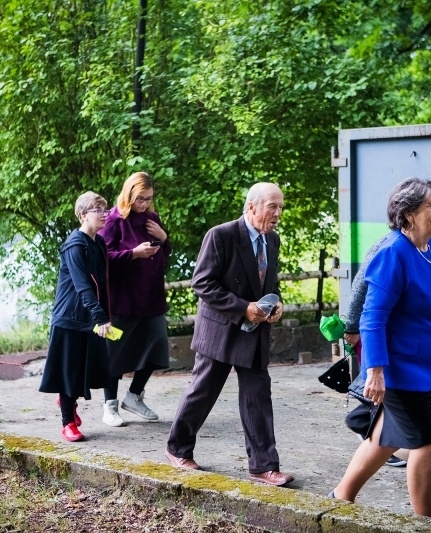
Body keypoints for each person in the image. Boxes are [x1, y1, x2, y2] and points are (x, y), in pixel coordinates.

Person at [329, 177, 431, 518]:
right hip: (398, 368)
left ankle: (340, 495)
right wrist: (375, 371)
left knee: (386, 437)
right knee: (429, 442)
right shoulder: (392, 253)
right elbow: (372, 318)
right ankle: (427, 521)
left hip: (426, 364)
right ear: (408, 214)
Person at [165, 182, 294, 487]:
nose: (278, 214)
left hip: (255, 332)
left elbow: (269, 284)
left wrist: (276, 304)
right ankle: (177, 448)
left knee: (258, 397)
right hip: (221, 330)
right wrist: (242, 308)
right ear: (252, 206)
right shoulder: (221, 235)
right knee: (203, 391)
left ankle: (263, 467)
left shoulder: (271, 240)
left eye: (281, 207)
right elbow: (202, 283)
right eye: (272, 206)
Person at [39, 191, 115, 442]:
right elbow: (83, 285)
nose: (104, 214)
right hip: (69, 318)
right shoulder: (75, 245)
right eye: (98, 210)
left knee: (88, 368)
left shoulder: (99, 243)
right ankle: (67, 422)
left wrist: (105, 316)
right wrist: (101, 317)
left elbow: (101, 283)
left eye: (105, 209)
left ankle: (67, 401)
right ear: (83, 215)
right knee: (68, 371)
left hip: (89, 317)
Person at [97, 172, 171, 426]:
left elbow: (165, 254)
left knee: (158, 347)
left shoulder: (152, 219)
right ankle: (110, 406)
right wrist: (133, 254)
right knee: (115, 352)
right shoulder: (114, 220)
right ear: (129, 194)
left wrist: (163, 237)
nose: (145, 204)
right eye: (140, 198)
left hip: (151, 298)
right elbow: (103, 257)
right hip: (122, 301)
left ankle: (134, 396)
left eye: (149, 199)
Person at [343, 235, 409, 468]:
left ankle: (372, 431)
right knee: (379, 392)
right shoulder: (386, 246)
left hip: (402, 337)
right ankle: (367, 429)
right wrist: (351, 327)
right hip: (377, 334)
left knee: (390, 395)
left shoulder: (427, 247)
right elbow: (360, 286)